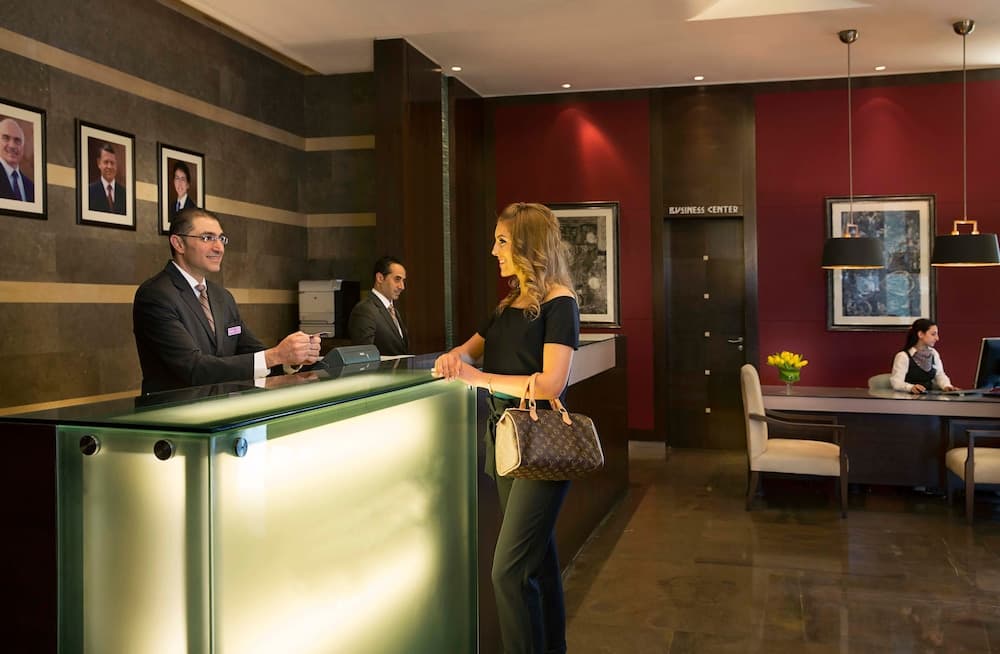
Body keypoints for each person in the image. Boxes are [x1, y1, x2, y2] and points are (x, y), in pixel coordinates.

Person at [434, 202, 580, 654]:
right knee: (538, 562)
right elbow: (469, 351)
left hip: (540, 441)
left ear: (527, 245)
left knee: (508, 571)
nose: (494, 250)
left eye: (502, 241)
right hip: (503, 439)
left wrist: (479, 378)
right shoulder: (506, 306)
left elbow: (551, 384)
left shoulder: (560, 303)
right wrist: (454, 358)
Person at [133, 207, 321, 394]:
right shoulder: (156, 295)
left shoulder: (222, 297)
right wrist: (275, 356)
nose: (219, 248)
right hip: (173, 410)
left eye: (221, 239)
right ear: (179, 243)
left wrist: (291, 359)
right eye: (207, 238)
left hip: (222, 407)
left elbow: (249, 350)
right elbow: (194, 368)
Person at [347, 255, 410, 355]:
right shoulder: (364, 310)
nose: (402, 287)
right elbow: (365, 355)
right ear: (380, 278)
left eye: (403, 280)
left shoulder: (393, 310)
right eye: (397, 279)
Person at [890, 318, 958, 394]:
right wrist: (910, 387)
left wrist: (947, 386)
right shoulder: (903, 356)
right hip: (908, 398)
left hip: (929, 398)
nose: (937, 338)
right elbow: (896, 383)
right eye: (933, 334)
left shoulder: (934, 353)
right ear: (920, 334)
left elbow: (939, 375)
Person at [0, 118, 34, 202]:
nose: (12, 145)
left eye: (17, 140)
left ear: (23, 147)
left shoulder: (31, 187)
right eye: (6, 138)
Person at [88, 143, 126, 214]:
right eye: (106, 162)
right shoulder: (89, 191)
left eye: (112, 163)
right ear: (99, 163)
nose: (109, 166)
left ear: (116, 165)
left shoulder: (125, 194)